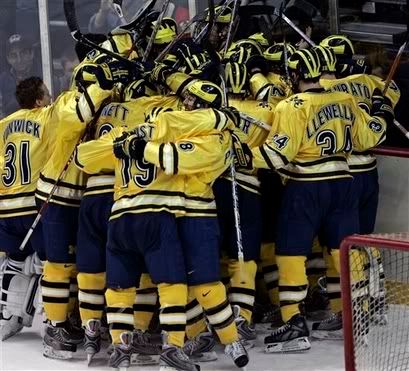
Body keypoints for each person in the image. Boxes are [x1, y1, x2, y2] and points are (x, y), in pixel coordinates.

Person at [231, 48, 392, 353]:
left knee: (291, 253)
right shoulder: (344, 98)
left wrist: (240, 153)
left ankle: (293, 325)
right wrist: (381, 112)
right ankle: (353, 315)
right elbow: (370, 138)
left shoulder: (292, 106)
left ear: (294, 75)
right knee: (342, 249)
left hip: (306, 186)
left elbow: (277, 156)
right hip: (345, 184)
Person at [0, 77, 51, 341]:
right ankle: (51, 319)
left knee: (14, 260)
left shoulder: (4, 125)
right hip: (35, 205)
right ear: (39, 100)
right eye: (47, 94)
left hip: (7, 207)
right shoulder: (46, 118)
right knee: (50, 263)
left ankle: (9, 318)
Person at [0, 34, 42, 118]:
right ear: (8, 59)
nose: (19, 60)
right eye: (13, 56)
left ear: (31, 54)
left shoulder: (44, 74)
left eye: (23, 53)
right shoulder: (2, 81)